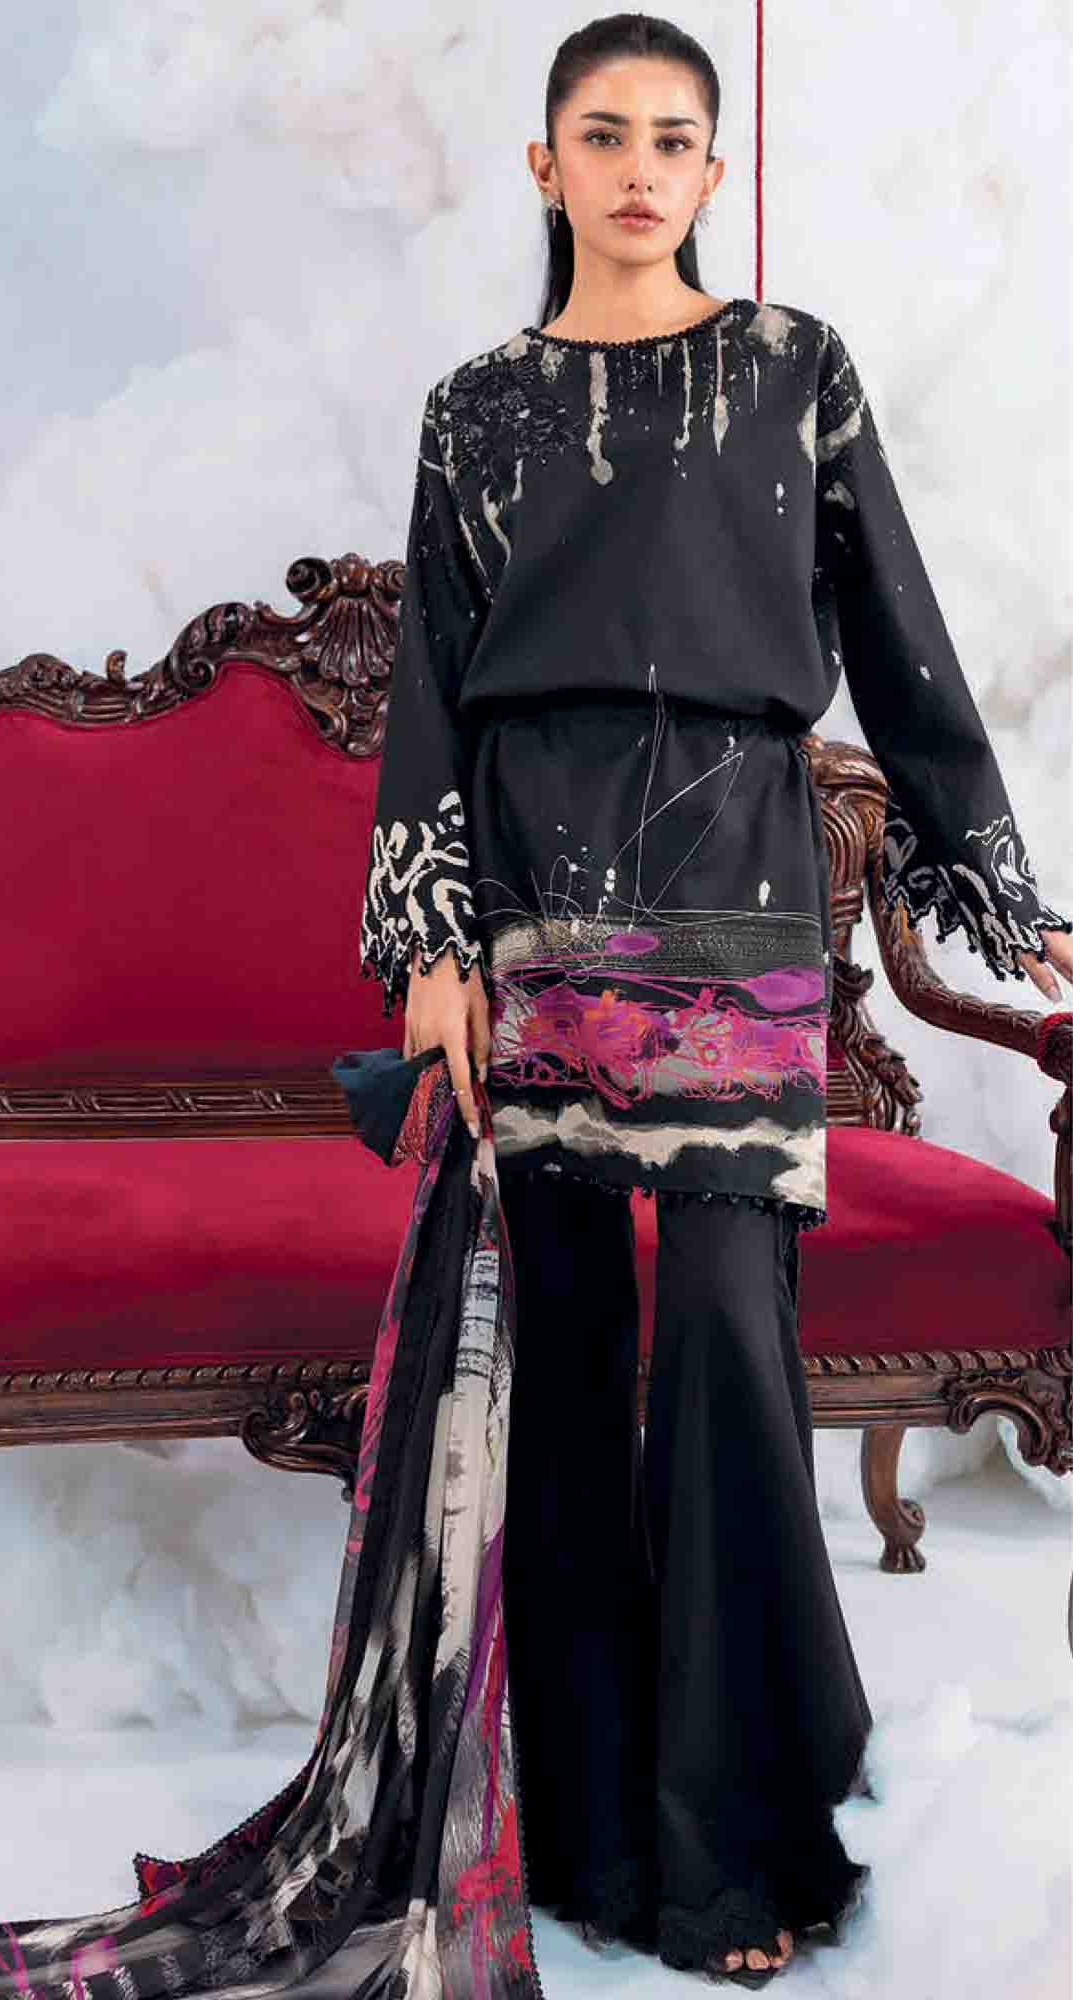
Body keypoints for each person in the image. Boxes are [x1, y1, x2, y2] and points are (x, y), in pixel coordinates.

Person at [357, 11, 1073, 1988]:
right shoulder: (475, 408)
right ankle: (590, 1843)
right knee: (573, 1349)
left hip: (734, 878)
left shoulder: (790, 371)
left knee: (732, 1344)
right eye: (602, 136)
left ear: (712, 168)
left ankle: (740, 1852)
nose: (639, 169)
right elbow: (427, 689)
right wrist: (431, 948)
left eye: (673, 138)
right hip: (533, 888)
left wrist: (993, 885)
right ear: (545, 166)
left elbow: (901, 642)